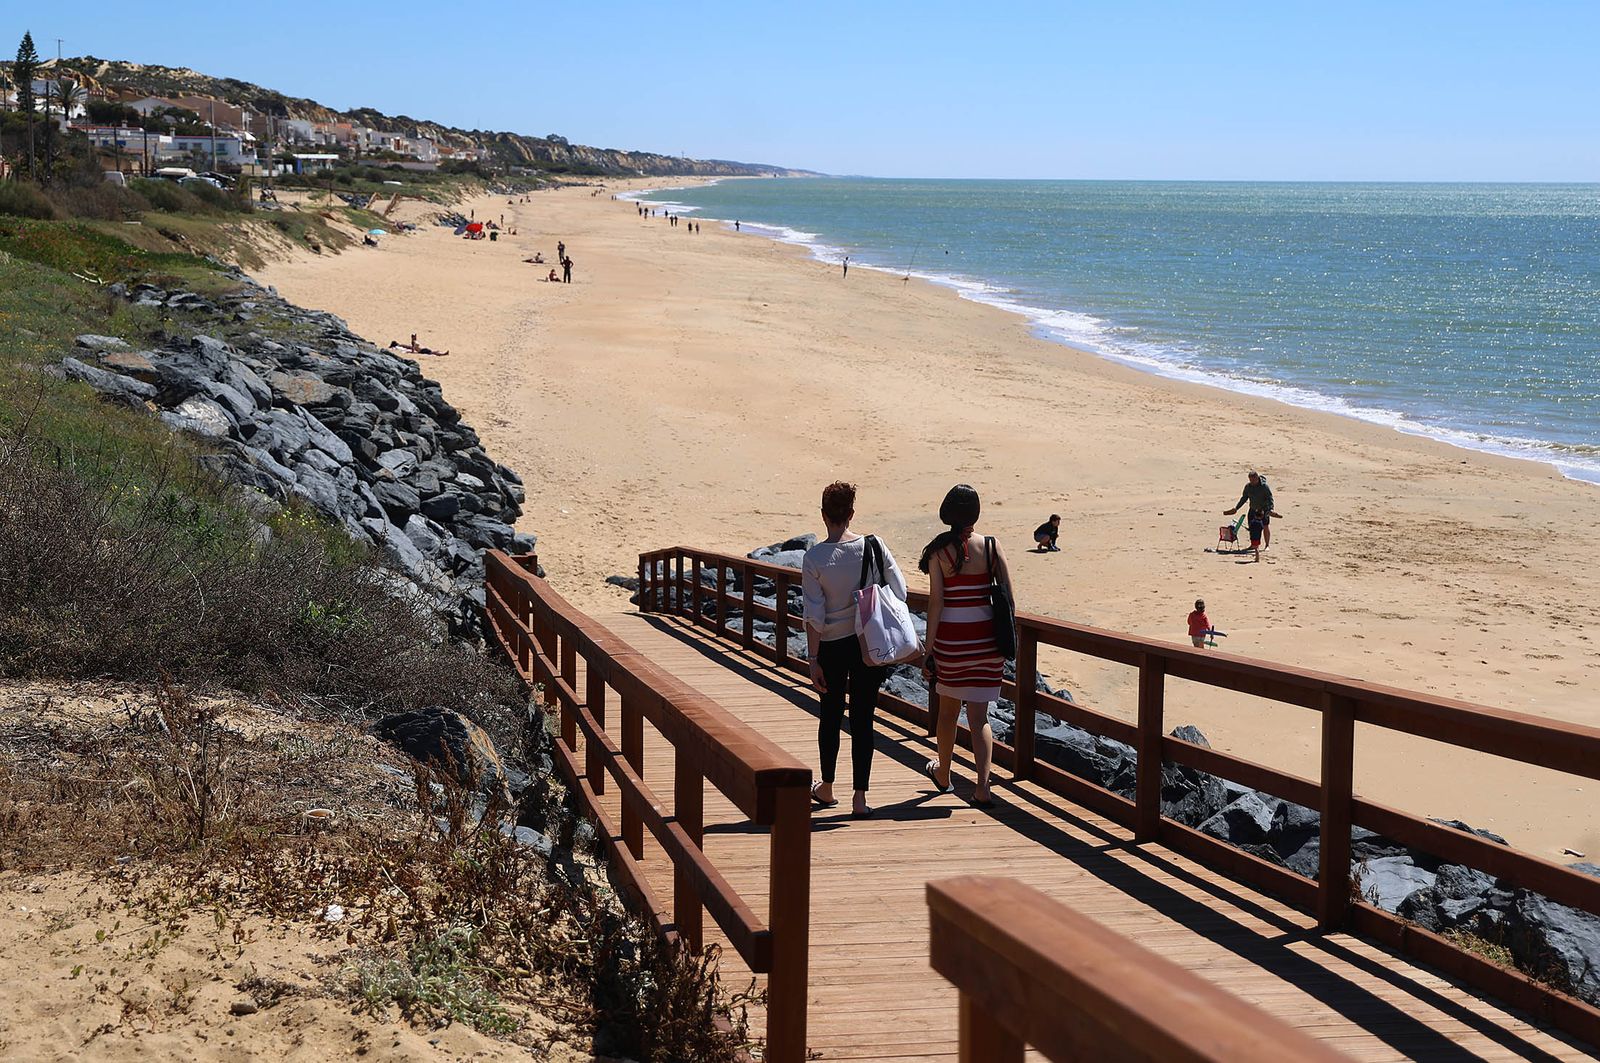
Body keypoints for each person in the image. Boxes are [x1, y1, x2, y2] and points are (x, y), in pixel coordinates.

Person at [802, 481, 906, 819]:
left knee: (830, 716)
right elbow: (900, 590)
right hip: (868, 643)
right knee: (864, 718)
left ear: (823, 515)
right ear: (851, 514)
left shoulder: (814, 557)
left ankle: (828, 787)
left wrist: (813, 658)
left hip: (831, 646)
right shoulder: (873, 546)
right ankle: (859, 798)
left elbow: (814, 616)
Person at [921, 484, 1011, 807]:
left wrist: (929, 649)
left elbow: (936, 603)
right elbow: (1009, 599)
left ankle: (943, 774)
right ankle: (983, 787)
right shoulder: (990, 546)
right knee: (980, 717)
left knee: (947, 714)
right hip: (986, 642)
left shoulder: (938, 553)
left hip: (953, 642)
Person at [1222, 471, 1282, 562]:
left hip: (1264, 510)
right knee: (1252, 527)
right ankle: (1253, 545)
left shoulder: (1264, 487)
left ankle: (1267, 545)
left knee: (1265, 526)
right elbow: (1244, 498)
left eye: (1253, 479)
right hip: (1253, 509)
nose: (1252, 481)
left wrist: (1271, 509)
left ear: (1257, 478)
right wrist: (1236, 508)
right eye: (1250, 479)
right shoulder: (1248, 487)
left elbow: (1270, 498)